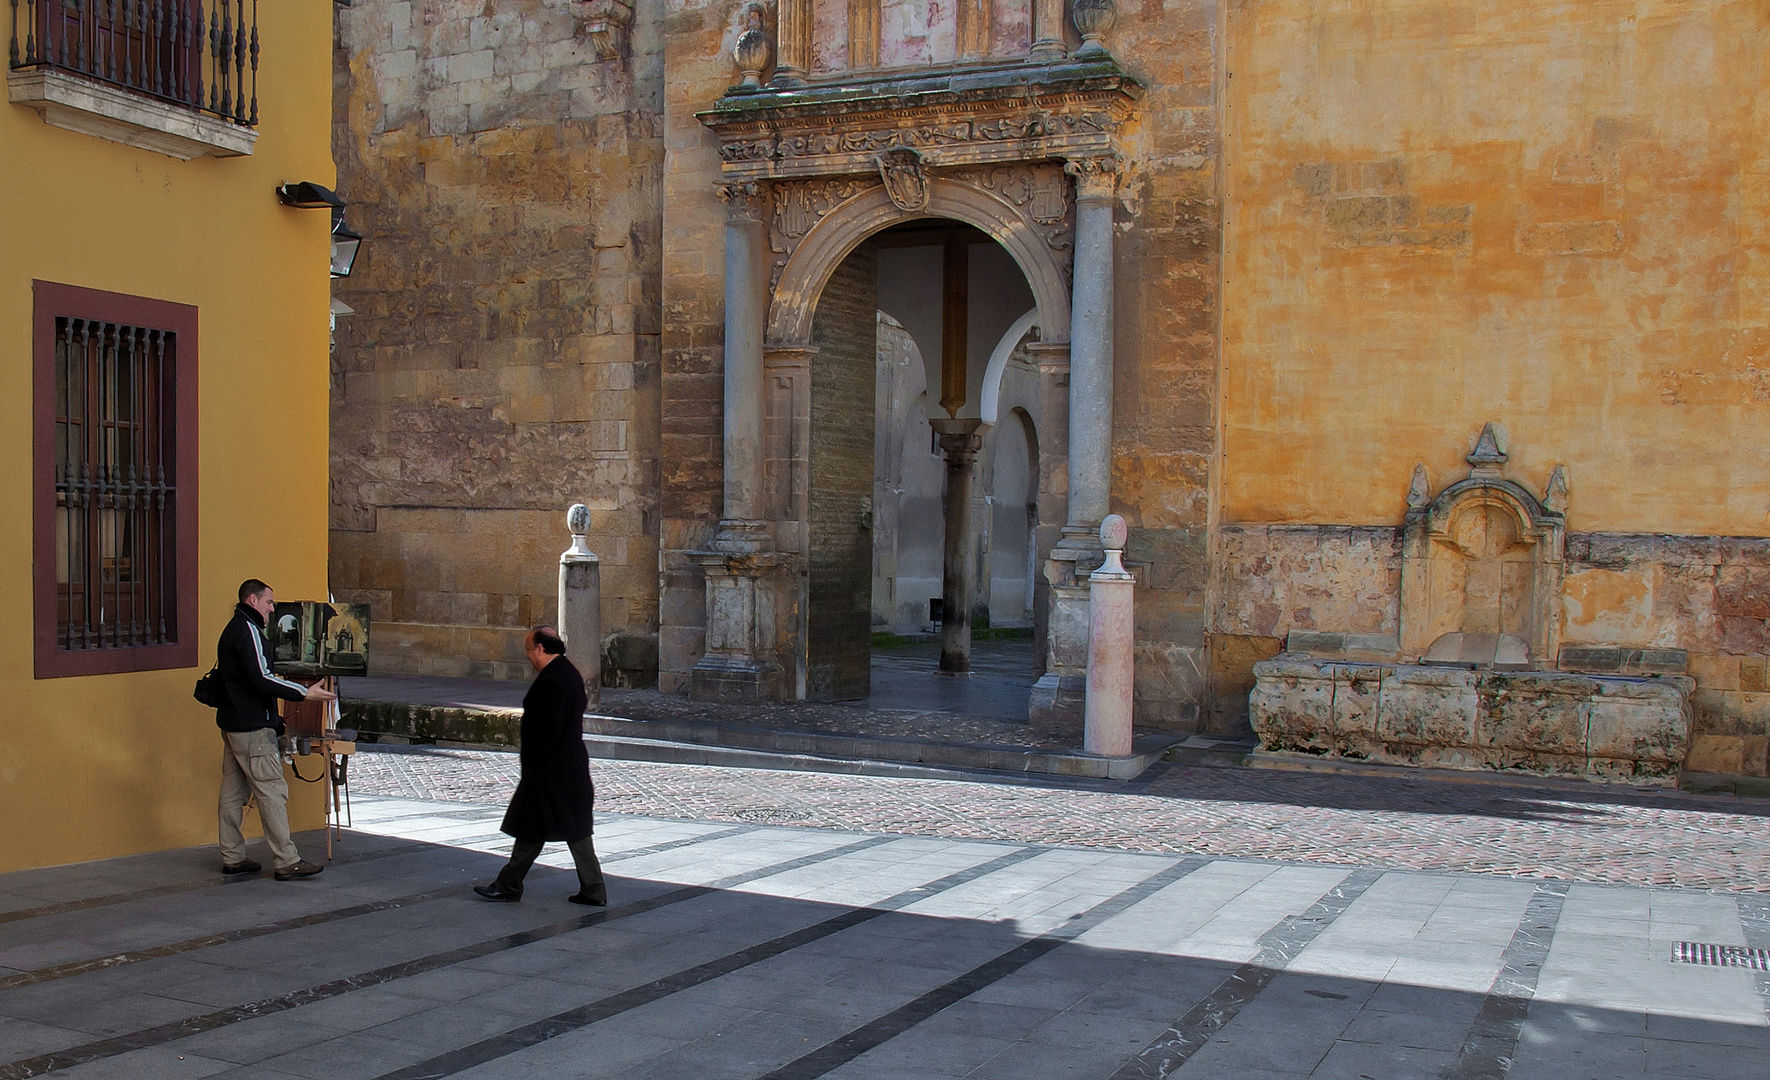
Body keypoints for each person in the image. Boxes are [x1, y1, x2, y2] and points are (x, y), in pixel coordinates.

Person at [474, 626, 607, 905]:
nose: (527, 656)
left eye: (528, 650)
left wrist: (536, 763)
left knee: (543, 827)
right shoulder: (566, 673)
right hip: (564, 768)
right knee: (552, 828)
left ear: (540, 649)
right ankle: (591, 889)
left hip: (552, 769)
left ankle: (510, 884)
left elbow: (549, 728)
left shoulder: (555, 679)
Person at [215, 579, 336, 880]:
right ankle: (286, 860)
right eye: (269, 602)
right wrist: (303, 692)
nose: (272, 608)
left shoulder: (234, 628)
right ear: (253, 600)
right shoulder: (248, 630)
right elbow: (262, 678)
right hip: (252, 729)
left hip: (234, 724)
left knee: (232, 792)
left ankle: (232, 856)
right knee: (272, 792)